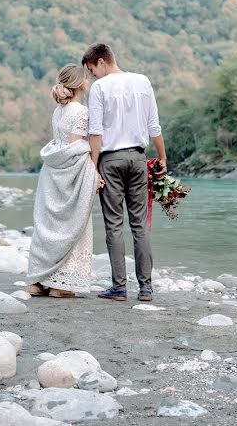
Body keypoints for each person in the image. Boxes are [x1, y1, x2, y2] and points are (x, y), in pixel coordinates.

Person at [82, 43, 166, 303]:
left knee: (114, 224)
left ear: (101, 61)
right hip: (138, 158)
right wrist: (162, 157)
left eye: (91, 69)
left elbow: (95, 132)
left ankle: (119, 288)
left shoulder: (100, 88)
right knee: (139, 224)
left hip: (110, 160)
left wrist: (94, 168)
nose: (91, 75)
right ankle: (146, 288)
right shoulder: (143, 81)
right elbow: (154, 126)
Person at [25, 64, 102, 298]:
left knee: (49, 226)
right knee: (72, 226)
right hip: (70, 176)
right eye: (86, 78)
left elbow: (61, 145)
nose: (89, 81)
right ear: (79, 83)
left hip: (51, 173)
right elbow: (76, 148)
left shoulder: (58, 111)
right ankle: (61, 285)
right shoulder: (81, 111)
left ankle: (37, 282)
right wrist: (94, 174)